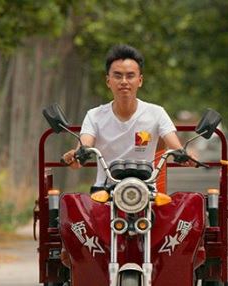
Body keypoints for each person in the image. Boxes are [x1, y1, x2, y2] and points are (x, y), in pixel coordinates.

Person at [62, 43, 195, 192]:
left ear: (140, 80)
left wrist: (184, 155)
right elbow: (84, 145)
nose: (124, 81)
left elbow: (174, 144)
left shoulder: (157, 113)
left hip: (147, 190)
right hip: (105, 190)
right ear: (108, 81)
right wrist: (76, 157)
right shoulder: (94, 116)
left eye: (130, 76)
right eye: (118, 76)